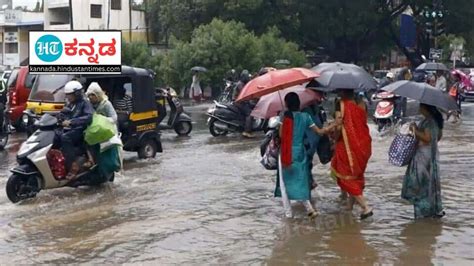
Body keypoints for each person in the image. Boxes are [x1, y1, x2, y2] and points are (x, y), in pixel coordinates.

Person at [275, 92, 340, 219]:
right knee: (301, 180)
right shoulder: (305, 116)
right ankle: (309, 208)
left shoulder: (285, 117)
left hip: (286, 152)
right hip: (300, 152)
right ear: (298, 103)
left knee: (284, 183)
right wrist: (334, 124)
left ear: (287, 104)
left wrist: (281, 122)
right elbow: (320, 132)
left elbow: (282, 136)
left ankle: (288, 214)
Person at [331, 89, 373, 220]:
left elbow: (338, 126)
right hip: (364, 144)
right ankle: (350, 206)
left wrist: (333, 136)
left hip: (347, 145)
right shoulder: (362, 104)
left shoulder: (341, 104)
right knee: (356, 174)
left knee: (345, 176)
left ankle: (365, 207)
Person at [402, 103, 445, 219]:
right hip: (432, 154)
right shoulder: (436, 121)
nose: (419, 109)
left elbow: (427, 138)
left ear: (426, 108)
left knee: (420, 184)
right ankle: (433, 211)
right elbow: (438, 137)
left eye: (421, 106)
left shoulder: (429, 122)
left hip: (423, 156)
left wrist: (414, 130)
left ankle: (422, 213)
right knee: (431, 182)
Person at [57, 80, 94, 179]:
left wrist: (71, 122)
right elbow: (64, 113)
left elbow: (88, 117)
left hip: (81, 130)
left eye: (70, 95)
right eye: (67, 95)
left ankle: (73, 166)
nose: (68, 97)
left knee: (65, 137)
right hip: (72, 129)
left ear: (77, 94)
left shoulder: (85, 103)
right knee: (55, 135)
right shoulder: (71, 104)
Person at [301, 94, 325, 190]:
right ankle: (308, 184)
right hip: (308, 142)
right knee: (306, 164)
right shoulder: (307, 111)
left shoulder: (311, 109)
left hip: (309, 142)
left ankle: (308, 184)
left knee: (306, 164)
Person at [232, 70, 254, 138]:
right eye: (247, 77)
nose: (248, 78)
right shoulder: (240, 84)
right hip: (239, 102)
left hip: (240, 101)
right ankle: (247, 131)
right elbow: (244, 94)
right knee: (249, 114)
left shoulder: (242, 83)